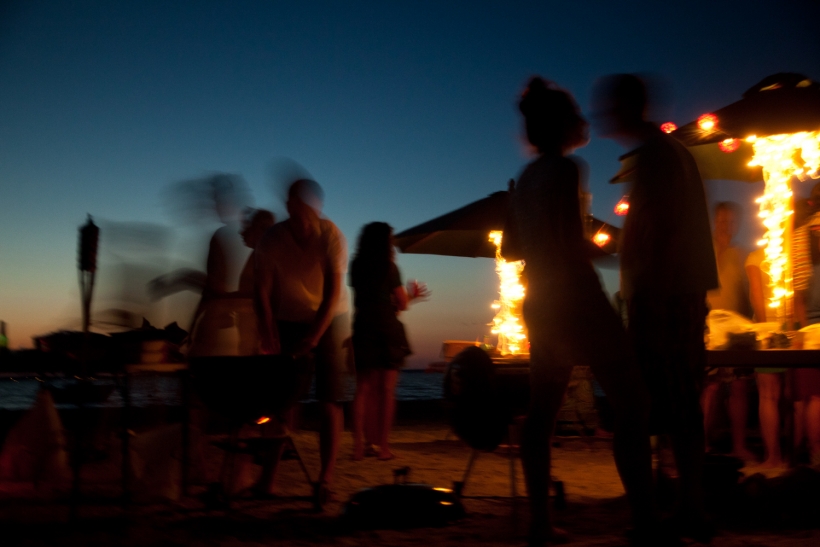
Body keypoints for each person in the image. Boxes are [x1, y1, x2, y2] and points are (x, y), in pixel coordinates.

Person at [502, 77, 654, 546]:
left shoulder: (525, 180)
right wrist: (622, 250)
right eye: (576, 115)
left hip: (541, 301)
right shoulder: (567, 171)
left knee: (542, 414)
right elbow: (570, 243)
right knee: (633, 404)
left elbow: (511, 248)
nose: (585, 121)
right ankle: (645, 522)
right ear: (561, 125)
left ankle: (541, 524)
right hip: (576, 299)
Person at [592, 74, 719, 542]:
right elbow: (657, 232)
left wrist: (647, 305)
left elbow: (660, 235)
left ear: (626, 108)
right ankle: (691, 509)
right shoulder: (671, 155)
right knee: (682, 409)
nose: (601, 116)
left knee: (635, 411)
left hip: (664, 300)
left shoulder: (657, 159)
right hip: (679, 295)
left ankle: (648, 518)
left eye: (607, 107)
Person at [255, 178, 350, 504]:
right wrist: (267, 328)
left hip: (331, 316)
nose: (300, 218)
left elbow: (333, 292)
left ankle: (325, 478)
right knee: (281, 399)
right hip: (288, 316)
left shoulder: (331, 235)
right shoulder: (273, 238)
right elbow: (262, 291)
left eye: (306, 210)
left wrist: (313, 338)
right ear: (288, 206)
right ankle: (268, 479)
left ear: (316, 209)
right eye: (294, 208)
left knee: (329, 399)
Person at [349, 222, 429, 461]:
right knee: (386, 390)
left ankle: (359, 447)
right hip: (386, 329)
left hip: (363, 326)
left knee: (362, 389)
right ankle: (382, 447)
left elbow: (364, 300)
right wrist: (412, 295)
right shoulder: (389, 267)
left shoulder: (356, 265)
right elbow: (400, 304)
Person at [701, 201, 756, 462]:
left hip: (735, 329)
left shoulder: (742, 253)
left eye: (732, 221)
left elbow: (749, 293)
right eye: (722, 220)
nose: (726, 225)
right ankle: (700, 445)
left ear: (738, 224)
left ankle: (738, 444)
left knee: (739, 388)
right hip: (706, 328)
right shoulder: (702, 251)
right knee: (708, 387)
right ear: (715, 221)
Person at [745, 246, 787, 469]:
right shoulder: (787, 255)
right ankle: (786, 454)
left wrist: (764, 329)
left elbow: (757, 295)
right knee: (782, 398)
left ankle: (773, 457)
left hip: (768, 332)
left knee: (768, 396)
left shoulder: (755, 257)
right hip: (788, 330)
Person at [791, 182, 820, 467]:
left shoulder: (800, 235)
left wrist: (803, 329)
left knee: (814, 396)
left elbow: (798, 293)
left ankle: (815, 456)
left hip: (809, 326)